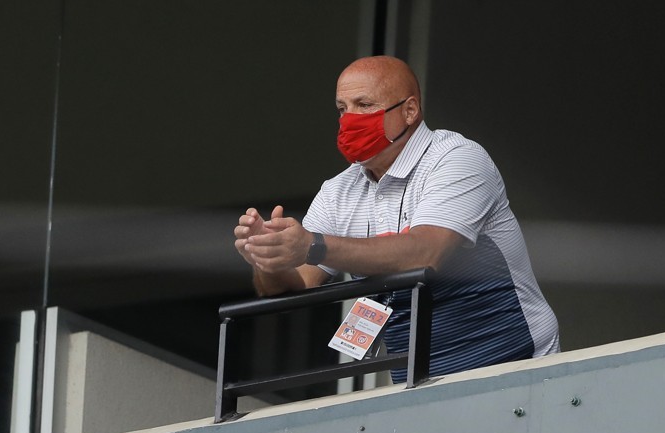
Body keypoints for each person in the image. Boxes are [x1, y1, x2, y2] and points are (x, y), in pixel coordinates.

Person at [234, 56, 559, 381]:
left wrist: (313, 246)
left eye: (364, 105)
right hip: (417, 387)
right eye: (342, 109)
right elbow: (295, 287)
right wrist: (269, 258)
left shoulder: (457, 158)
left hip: (514, 368)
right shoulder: (337, 192)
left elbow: (425, 253)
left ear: (410, 110)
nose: (349, 120)